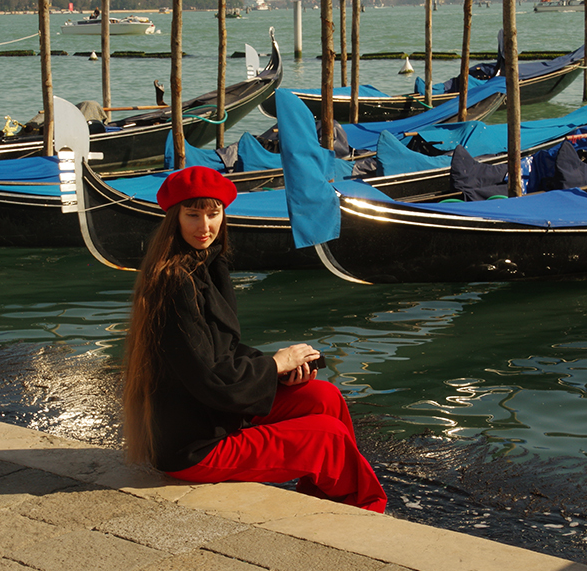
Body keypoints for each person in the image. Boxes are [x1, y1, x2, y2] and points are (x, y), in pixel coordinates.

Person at [121, 166, 387, 513]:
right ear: (174, 218)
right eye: (192, 215)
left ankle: (326, 497)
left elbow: (221, 351)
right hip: (194, 445)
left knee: (325, 397)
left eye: (213, 214)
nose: (205, 227)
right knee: (329, 437)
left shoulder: (207, 265)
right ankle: (366, 515)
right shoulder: (173, 283)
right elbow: (210, 378)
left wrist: (279, 368)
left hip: (213, 414)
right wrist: (274, 363)